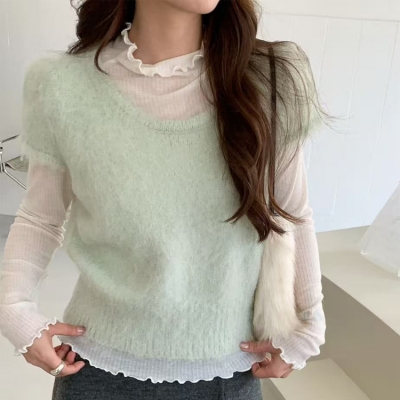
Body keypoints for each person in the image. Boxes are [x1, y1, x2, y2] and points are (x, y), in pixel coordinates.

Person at [0, 0, 331, 399]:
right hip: (97, 371)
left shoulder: (271, 78)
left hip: (228, 371)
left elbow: (291, 212)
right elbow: (41, 217)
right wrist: (13, 310)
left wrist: (309, 322)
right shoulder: (60, 85)